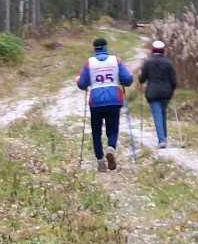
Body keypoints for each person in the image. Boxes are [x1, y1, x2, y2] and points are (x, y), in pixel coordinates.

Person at [77, 37, 134, 171]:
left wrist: (78, 80)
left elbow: (82, 84)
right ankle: (111, 148)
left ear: (94, 49)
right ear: (106, 48)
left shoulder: (89, 63)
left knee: (96, 131)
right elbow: (127, 80)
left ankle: (100, 161)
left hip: (96, 100)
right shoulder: (115, 60)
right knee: (113, 128)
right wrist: (128, 78)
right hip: (114, 99)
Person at [138, 40, 179, 148]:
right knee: (163, 114)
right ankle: (164, 137)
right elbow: (174, 81)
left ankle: (162, 140)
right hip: (166, 93)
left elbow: (142, 79)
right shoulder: (168, 63)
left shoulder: (148, 62)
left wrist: (140, 75)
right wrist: (171, 89)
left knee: (157, 115)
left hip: (153, 93)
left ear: (152, 50)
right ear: (163, 51)